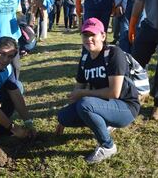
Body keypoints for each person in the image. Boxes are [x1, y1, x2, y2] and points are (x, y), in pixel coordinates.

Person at [56, 17, 140, 164]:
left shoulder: (114, 54)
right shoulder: (84, 59)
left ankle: (108, 146)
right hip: (103, 104)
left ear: (103, 36)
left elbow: (114, 93)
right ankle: (104, 123)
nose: (89, 39)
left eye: (93, 34)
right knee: (63, 116)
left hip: (126, 107)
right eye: (85, 35)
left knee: (85, 104)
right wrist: (63, 120)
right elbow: (79, 88)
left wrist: (83, 94)